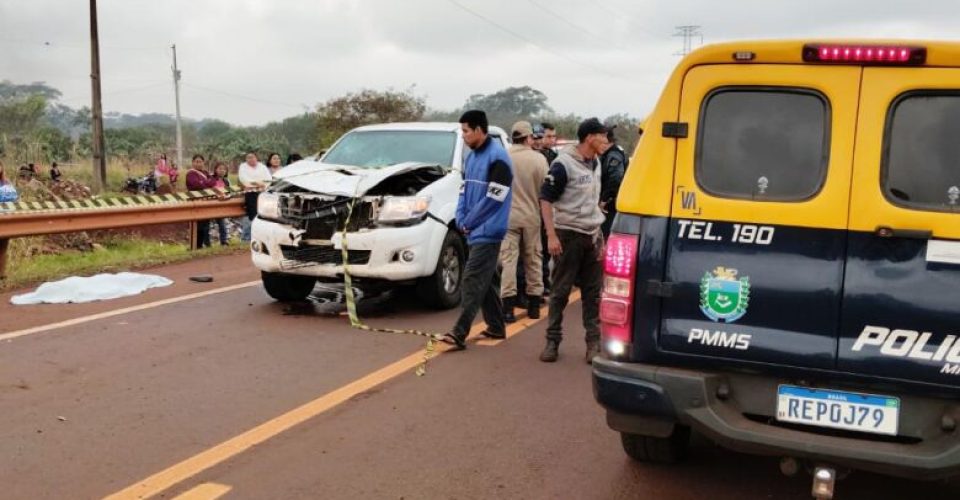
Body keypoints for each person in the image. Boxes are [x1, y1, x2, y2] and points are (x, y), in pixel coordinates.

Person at [439, 110, 514, 351]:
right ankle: (496, 326)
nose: (463, 136)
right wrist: (461, 217)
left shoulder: (499, 158)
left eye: (466, 131)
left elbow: (495, 199)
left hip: (489, 230)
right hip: (473, 228)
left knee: (472, 278)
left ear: (480, 130)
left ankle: (459, 332)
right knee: (488, 278)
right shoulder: (470, 158)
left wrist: (470, 221)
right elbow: (463, 191)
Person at [538, 117, 608, 364]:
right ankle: (552, 341)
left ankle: (593, 343)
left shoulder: (596, 162)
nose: (606, 141)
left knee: (593, 293)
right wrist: (551, 235)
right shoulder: (563, 164)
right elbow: (545, 199)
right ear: (590, 137)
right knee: (560, 292)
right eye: (603, 136)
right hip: (567, 235)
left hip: (592, 234)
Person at [500, 121, 548, 323]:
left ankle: (508, 310)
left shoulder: (504, 157)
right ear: (528, 138)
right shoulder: (539, 160)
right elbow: (545, 191)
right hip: (531, 216)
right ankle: (534, 306)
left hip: (508, 216)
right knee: (533, 259)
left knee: (508, 261)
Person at [599, 125, 629, 238]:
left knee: (606, 235)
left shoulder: (613, 155)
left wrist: (604, 200)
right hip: (612, 203)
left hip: (610, 205)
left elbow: (616, 178)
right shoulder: (613, 152)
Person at [185, 154, 219, 248]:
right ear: (193, 163)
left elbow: (213, 181)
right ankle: (196, 246)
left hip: (206, 202)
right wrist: (207, 183)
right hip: (195, 203)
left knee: (205, 224)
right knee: (197, 225)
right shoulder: (190, 174)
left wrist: (205, 183)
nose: (199, 164)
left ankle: (204, 245)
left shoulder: (205, 172)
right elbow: (197, 186)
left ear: (203, 163)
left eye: (200, 162)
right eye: (196, 162)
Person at [237, 152, 272, 242]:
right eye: (248, 157)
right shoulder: (243, 166)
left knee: (264, 215)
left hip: (263, 193)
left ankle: (263, 237)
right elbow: (244, 179)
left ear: (256, 158)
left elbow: (268, 179)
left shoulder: (262, 167)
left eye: (252, 157)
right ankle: (250, 238)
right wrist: (258, 183)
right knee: (253, 215)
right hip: (250, 193)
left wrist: (262, 184)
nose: (250, 159)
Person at [211, 162, 232, 245]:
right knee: (207, 225)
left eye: (224, 169)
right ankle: (207, 243)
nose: (222, 171)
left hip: (221, 206)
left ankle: (223, 241)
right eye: (220, 168)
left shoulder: (226, 181)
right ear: (215, 170)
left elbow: (230, 193)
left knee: (222, 223)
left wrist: (226, 197)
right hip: (211, 205)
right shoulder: (211, 179)